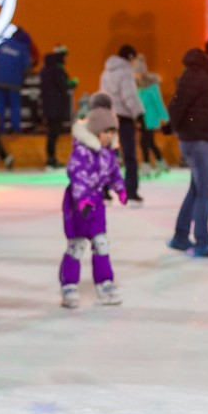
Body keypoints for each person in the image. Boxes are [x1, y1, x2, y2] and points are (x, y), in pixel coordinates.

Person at [167, 33, 208, 258]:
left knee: (197, 189)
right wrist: (177, 128)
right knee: (207, 190)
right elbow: (178, 104)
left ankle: (180, 237)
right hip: (198, 140)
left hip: (205, 138)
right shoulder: (197, 74)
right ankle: (202, 241)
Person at [58, 106, 127, 309]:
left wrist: (120, 189)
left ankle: (104, 282)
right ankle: (69, 284)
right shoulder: (81, 152)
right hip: (78, 204)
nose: (110, 136)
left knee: (101, 243)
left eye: (113, 132)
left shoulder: (107, 154)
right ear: (96, 132)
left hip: (96, 203)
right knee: (77, 245)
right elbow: (76, 175)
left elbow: (114, 173)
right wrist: (82, 201)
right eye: (107, 132)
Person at [99, 44, 146, 205]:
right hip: (124, 118)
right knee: (129, 156)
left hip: (108, 116)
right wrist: (139, 114)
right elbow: (129, 96)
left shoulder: (106, 72)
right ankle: (131, 192)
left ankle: (104, 192)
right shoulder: (126, 72)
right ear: (131, 57)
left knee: (107, 155)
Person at [0, 27, 32, 134]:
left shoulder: (2, 45)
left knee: (0, 104)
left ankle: (0, 128)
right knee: (15, 105)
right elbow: (27, 67)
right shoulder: (23, 49)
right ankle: (16, 128)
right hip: (14, 82)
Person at [135, 55, 169, 174]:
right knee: (148, 142)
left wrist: (165, 117)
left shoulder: (151, 86)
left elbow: (158, 102)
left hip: (151, 118)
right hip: (143, 119)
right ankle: (160, 162)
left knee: (145, 142)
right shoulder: (138, 87)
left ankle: (147, 164)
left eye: (137, 72)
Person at [40, 45, 72, 169]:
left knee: (51, 134)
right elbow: (63, 86)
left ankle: (50, 159)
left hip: (47, 108)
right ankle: (51, 159)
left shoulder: (44, 71)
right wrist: (71, 83)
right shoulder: (57, 71)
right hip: (56, 108)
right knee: (54, 133)